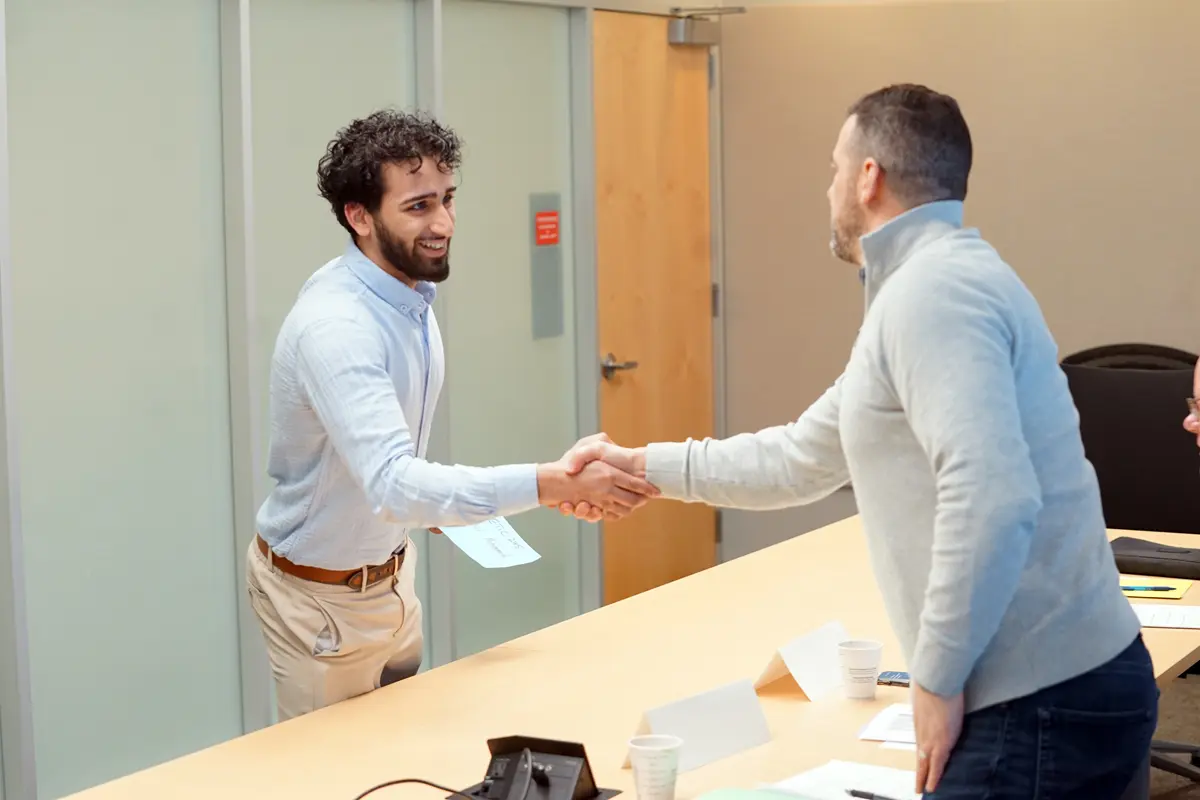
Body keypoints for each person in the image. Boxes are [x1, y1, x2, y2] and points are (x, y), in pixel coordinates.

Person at [561, 84, 1157, 799]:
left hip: (1035, 705)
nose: (829, 188)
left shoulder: (929, 297)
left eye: (835, 168)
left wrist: (935, 677)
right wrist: (644, 466)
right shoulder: (943, 283)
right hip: (1067, 684)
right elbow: (800, 457)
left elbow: (994, 497)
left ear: (868, 177)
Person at [247, 109, 657, 722]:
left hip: (391, 578)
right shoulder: (338, 325)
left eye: (447, 199)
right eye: (417, 207)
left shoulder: (407, 295)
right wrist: (552, 483)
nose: (442, 223)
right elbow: (391, 483)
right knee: (331, 777)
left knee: (405, 755)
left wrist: (436, 506)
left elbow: (387, 463)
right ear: (359, 217)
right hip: (321, 606)